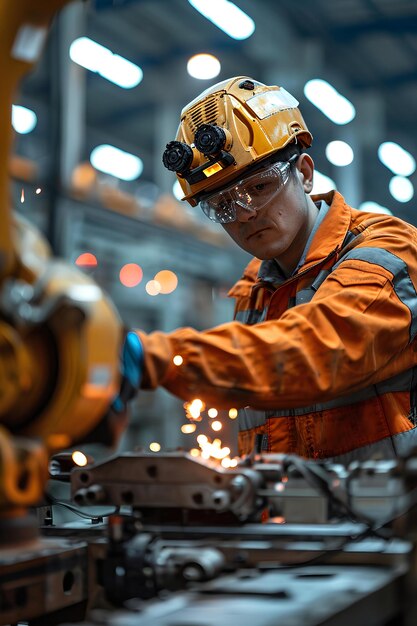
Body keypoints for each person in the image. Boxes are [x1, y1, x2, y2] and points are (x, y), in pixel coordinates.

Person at [114, 76, 417, 464]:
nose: (245, 214)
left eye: (258, 187)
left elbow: (318, 351)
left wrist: (161, 357)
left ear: (305, 173)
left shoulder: (384, 247)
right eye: (222, 205)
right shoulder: (253, 290)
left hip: (392, 519)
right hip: (297, 520)